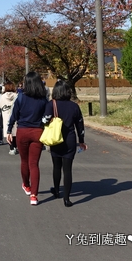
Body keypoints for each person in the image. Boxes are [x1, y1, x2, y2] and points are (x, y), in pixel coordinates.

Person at [6, 72, 49, 206]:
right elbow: (47, 116)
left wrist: (9, 130)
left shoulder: (21, 98)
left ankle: (26, 185)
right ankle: (34, 196)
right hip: (38, 132)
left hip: (22, 131)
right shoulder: (43, 99)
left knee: (24, 161)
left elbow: (14, 115)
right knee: (34, 164)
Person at [43, 79, 87, 207]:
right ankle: (67, 199)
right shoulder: (74, 106)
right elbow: (80, 125)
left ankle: (56, 191)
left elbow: (44, 121)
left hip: (55, 139)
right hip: (70, 140)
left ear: (55, 91)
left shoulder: (52, 104)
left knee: (56, 166)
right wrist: (82, 141)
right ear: (68, 91)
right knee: (68, 170)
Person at [0, 82, 19, 155]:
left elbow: (0, 106)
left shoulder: (3, 96)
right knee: (15, 132)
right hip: (15, 115)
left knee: (8, 131)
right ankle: (16, 147)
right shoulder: (17, 96)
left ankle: (11, 148)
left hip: (6, 115)